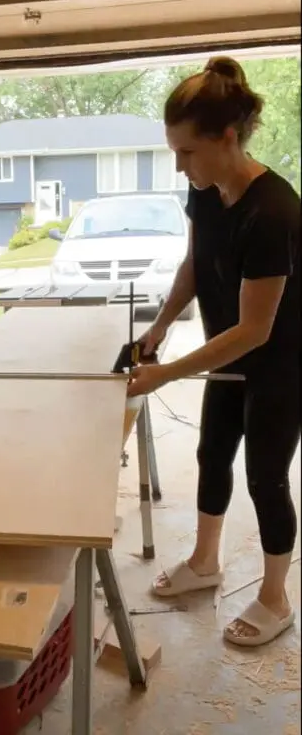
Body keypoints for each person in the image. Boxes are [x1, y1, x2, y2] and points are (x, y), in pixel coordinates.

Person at [128, 55, 300, 647]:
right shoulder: (205, 192)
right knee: (210, 455)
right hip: (224, 354)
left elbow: (256, 329)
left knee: (266, 479)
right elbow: (195, 266)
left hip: (280, 362)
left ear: (226, 138)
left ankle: (276, 599)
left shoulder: (274, 210)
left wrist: (166, 374)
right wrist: (158, 330)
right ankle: (206, 563)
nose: (179, 166)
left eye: (186, 152)